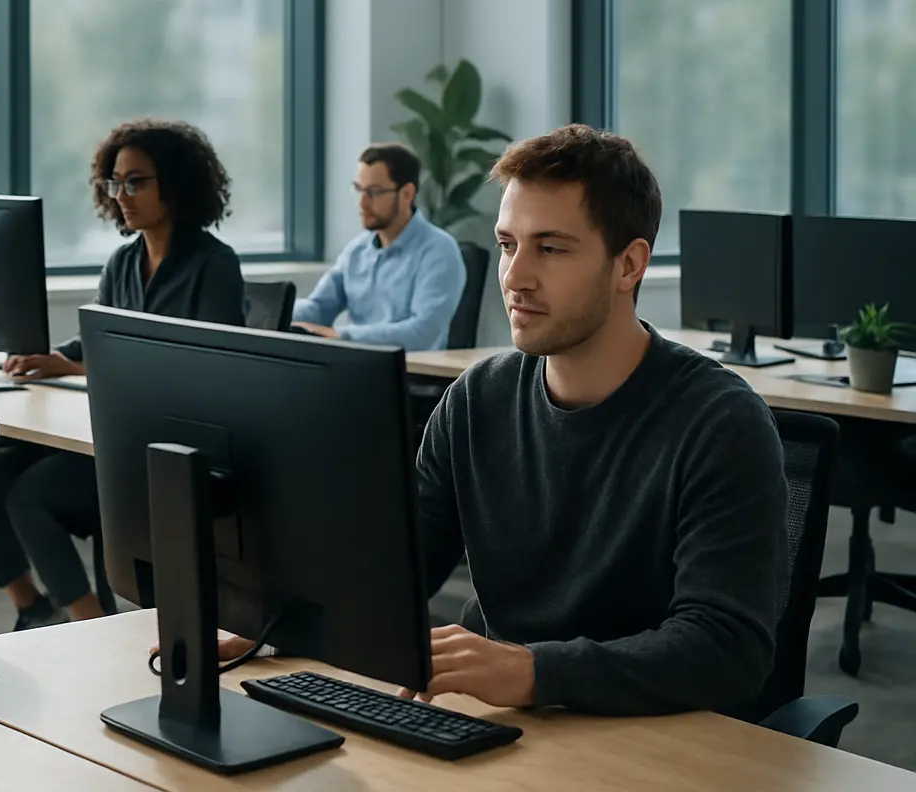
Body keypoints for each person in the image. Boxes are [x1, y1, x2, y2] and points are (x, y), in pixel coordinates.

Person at [223, 125, 787, 717]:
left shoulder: (719, 422)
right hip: (510, 722)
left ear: (629, 266)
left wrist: (536, 671)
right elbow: (397, 566)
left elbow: (726, 650)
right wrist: (283, 618)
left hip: (651, 737)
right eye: (507, 245)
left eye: (550, 247)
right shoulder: (477, 400)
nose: (515, 278)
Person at [0, 119, 248, 629]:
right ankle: (32, 606)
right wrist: (53, 357)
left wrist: (80, 364)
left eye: (137, 181)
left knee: (29, 494)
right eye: (114, 182)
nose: (122, 195)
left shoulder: (214, 265)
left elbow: (207, 367)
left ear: (176, 184)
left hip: (168, 445)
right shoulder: (122, 263)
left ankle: (90, 625)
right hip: (111, 434)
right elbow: (96, 342)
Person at [292, 142, 467, 350]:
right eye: (358, 190)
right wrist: (277, 314)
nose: (362, 203)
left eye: (374, 192)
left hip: (410, 374)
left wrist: (342, 335)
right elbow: (319, 307)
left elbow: (422, 333)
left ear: (407, 194)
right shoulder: (356, 251)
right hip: (358, 367)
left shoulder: (439, 251)